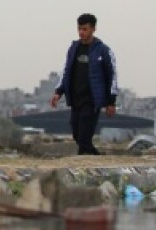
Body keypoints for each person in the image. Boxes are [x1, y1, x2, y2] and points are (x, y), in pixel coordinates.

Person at [50, 13, 118, 156]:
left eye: (85, 29)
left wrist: (111, 102)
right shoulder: (74, 48)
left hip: (92, 100)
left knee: (84, 136)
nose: (81, 32)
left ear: (93, 29)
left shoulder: (103, 51)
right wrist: (58, 92)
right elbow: (66, 71)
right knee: (77, 135)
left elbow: (112, 76)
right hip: (76, 98)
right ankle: (93, 159)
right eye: (79, 29)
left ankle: (88, 161)